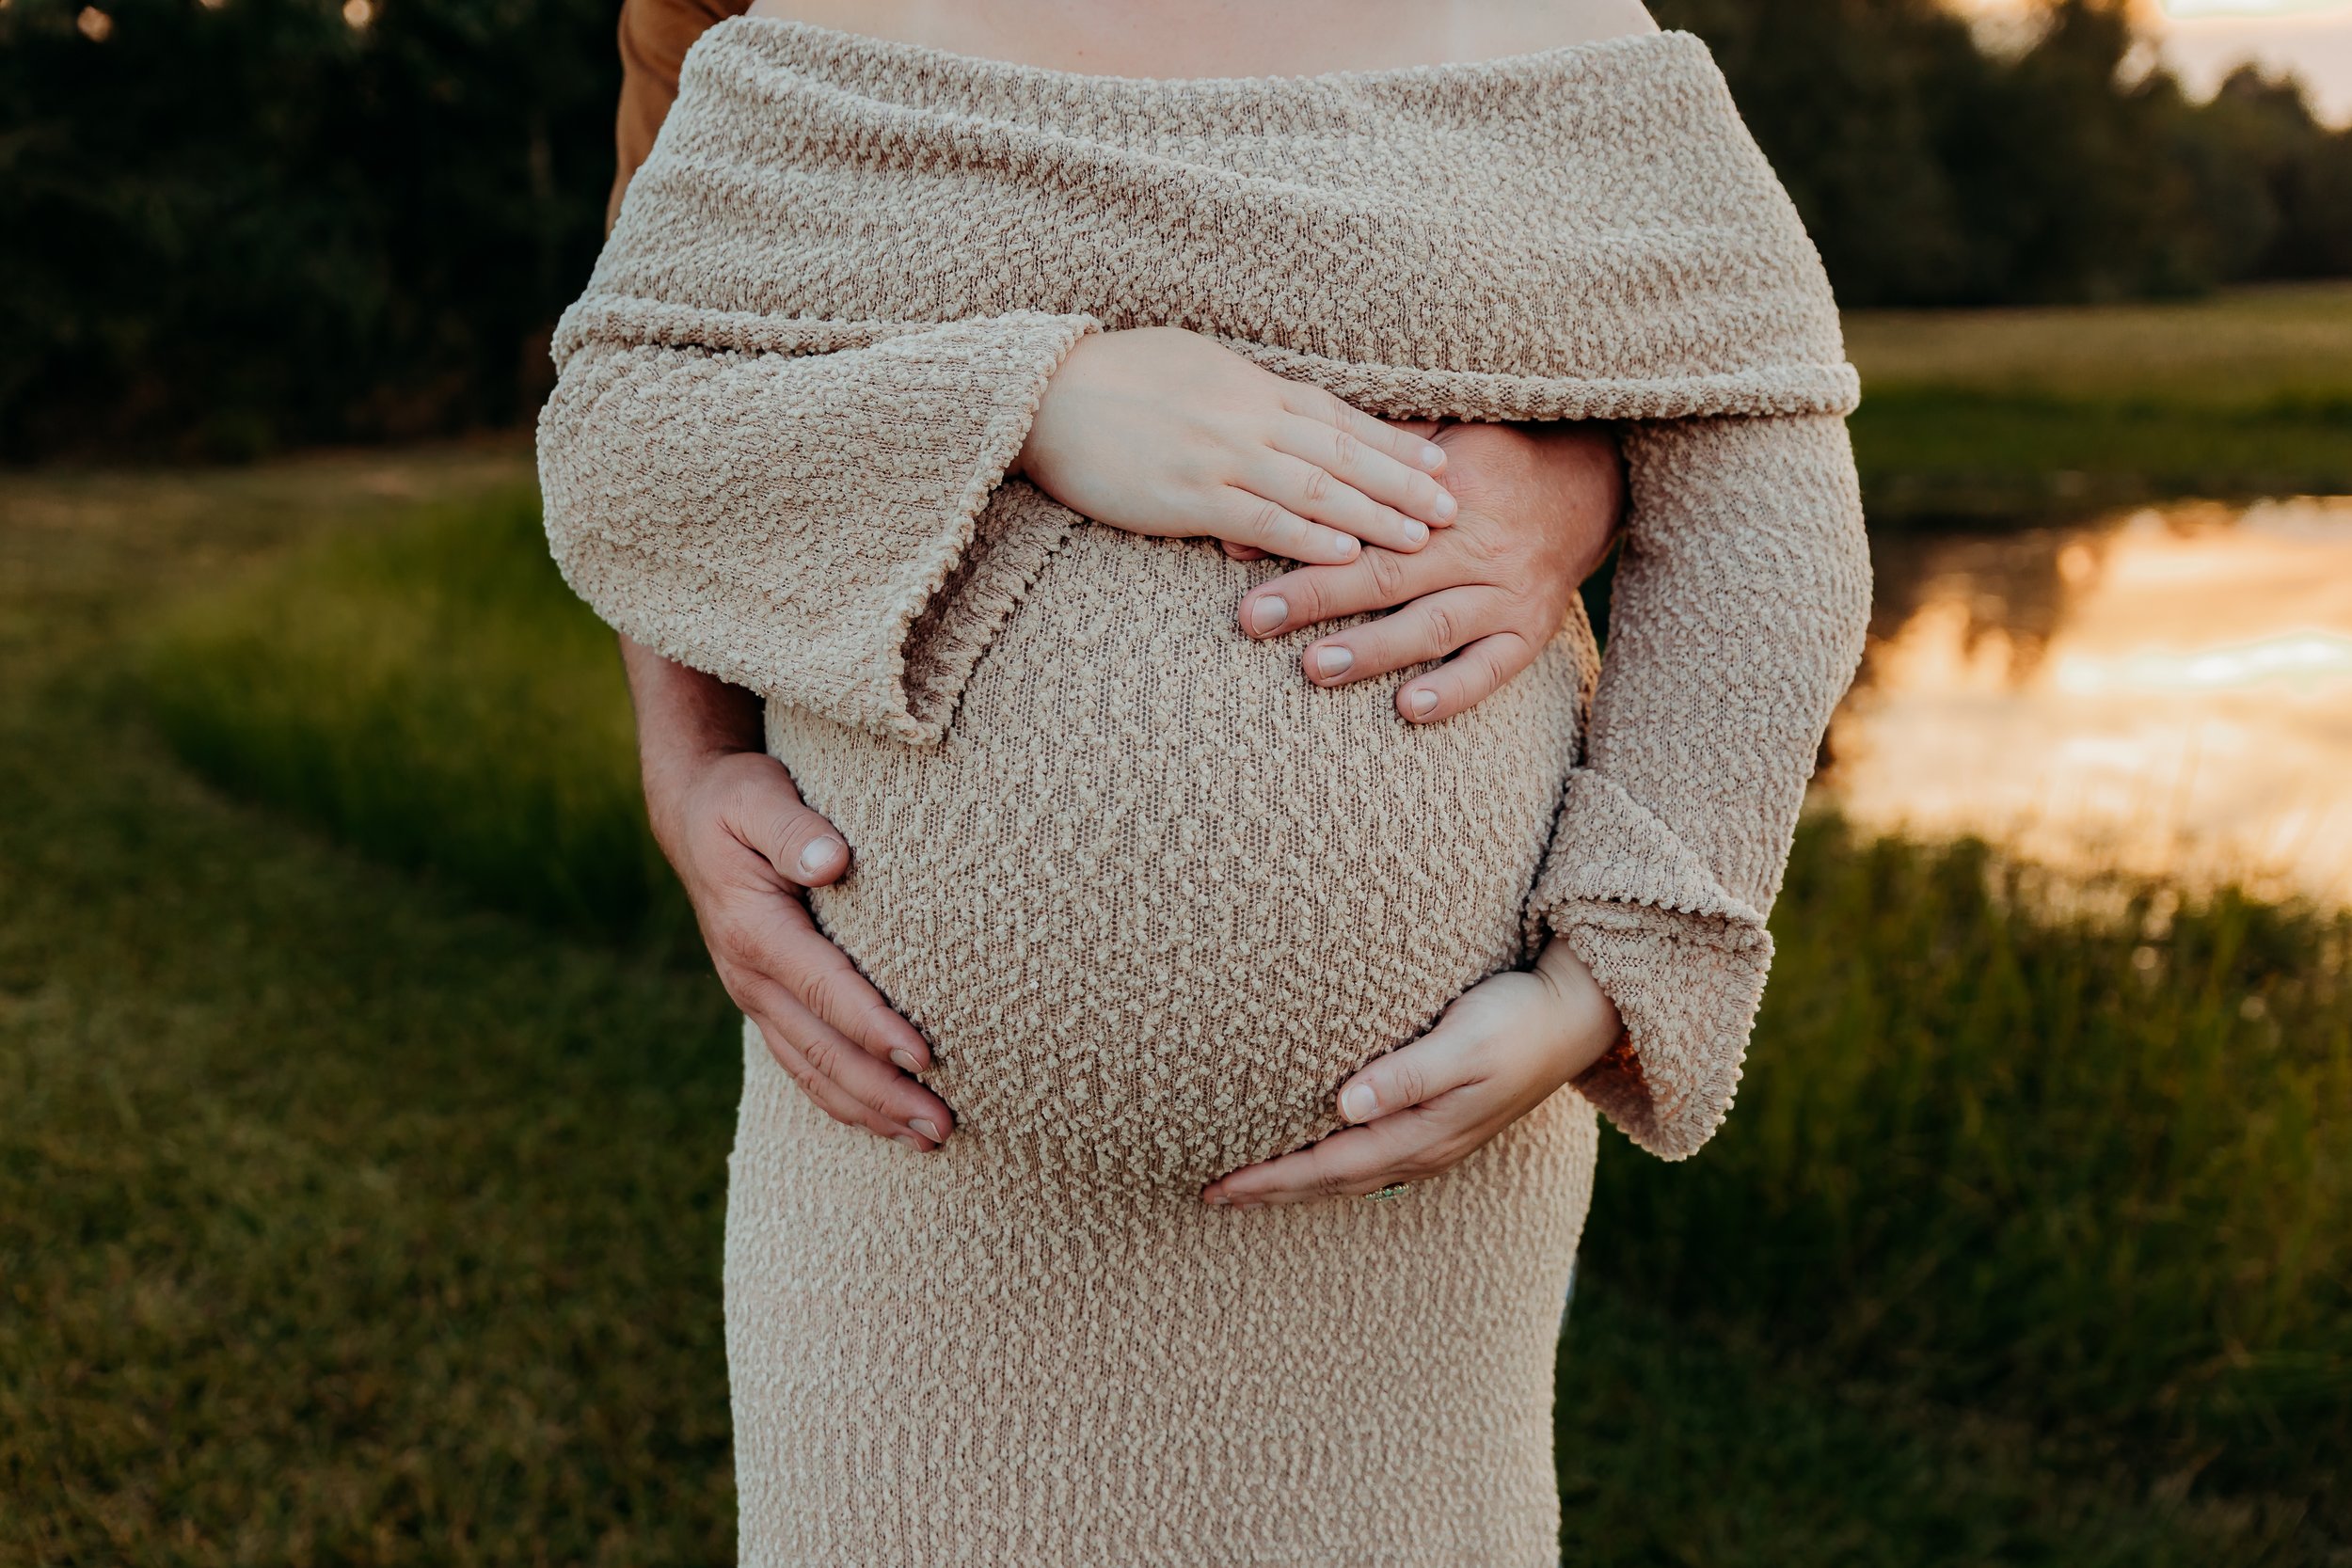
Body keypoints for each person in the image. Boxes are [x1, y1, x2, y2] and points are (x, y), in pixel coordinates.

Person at [536, 1, 1871, 1560]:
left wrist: (1613, 970)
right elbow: (629, 434)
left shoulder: (1542, 28)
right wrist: (1027, 404)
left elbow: (1766, 518)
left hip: (1418, 1224)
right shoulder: (830, 24)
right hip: (912, 1203)